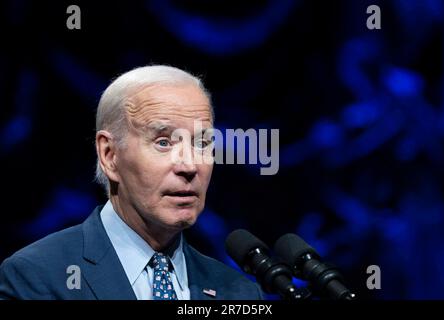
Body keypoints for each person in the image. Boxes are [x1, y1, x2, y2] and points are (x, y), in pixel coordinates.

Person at [0, 65, 264, 300]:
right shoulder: (36, 277)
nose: (190, 166)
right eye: (163, 143)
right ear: (110, 155)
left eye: (202, 143)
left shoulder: (240, 292)